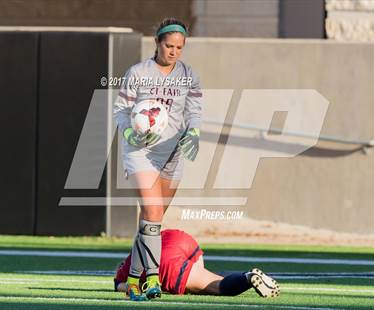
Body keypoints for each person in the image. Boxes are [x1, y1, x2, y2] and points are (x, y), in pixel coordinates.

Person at [113, 17, 202, 301]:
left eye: (179, 47)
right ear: (157, 43)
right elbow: (121, 110)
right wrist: (129, 131)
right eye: (168, 45)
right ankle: (152, 279)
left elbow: (194, 110)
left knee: (152, 220)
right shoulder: (138, 72)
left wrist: (194, 131)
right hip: (141, 152)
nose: (173, 51)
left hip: (172, 154)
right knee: (152, 214)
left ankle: (131, 280)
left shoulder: (189, 75)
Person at [114, 229, 280, 298]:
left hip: (168, 262)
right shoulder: (175, 234)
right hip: (178, 249)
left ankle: (247, 277)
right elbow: (199, 266)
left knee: (215, 286)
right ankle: (247, 277)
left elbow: (121, 285)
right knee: (218, 285)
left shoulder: (129, 263)